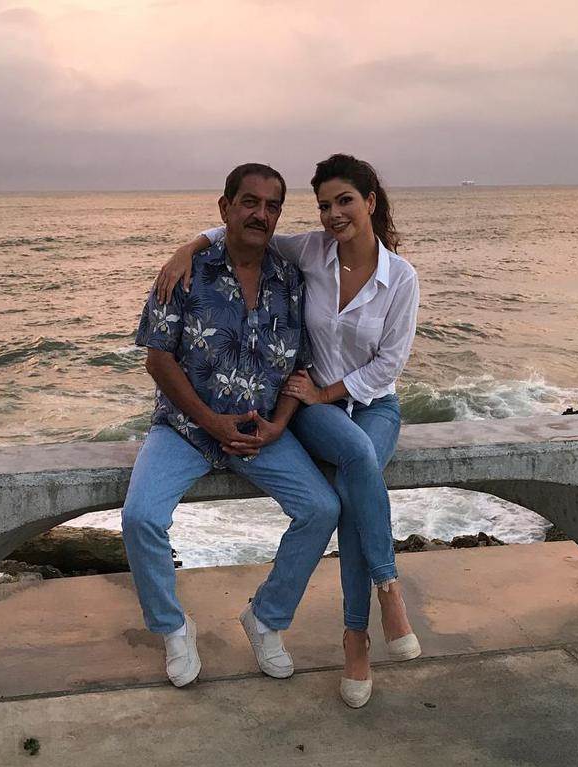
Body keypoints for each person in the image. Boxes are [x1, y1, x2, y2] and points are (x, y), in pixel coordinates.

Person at [156, 154, 420, 707]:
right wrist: (188, 248)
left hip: (372, 404)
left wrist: (326, 392)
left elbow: (388, 366)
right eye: (324, 205)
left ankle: (359, 633)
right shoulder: (312, 251)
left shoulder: (401, 278)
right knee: (357, 463)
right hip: (318, 406)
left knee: (352, 492)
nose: (333, 214)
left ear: (371, 202)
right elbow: (246, 230)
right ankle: (385, 590)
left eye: (344, 201)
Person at [124, 163, 340, 688]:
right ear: (225, 207)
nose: (260, 214)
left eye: (272, 206)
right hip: (185, 428)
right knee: (141, 517)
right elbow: (158, 359)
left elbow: (300, 368)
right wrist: (211, 422)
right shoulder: (184, 273)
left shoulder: (290, 281)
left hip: (260, 432)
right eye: (249, 202)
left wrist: (279, 424)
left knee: (321, 508)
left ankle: (266, 618)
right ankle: (174, 628)